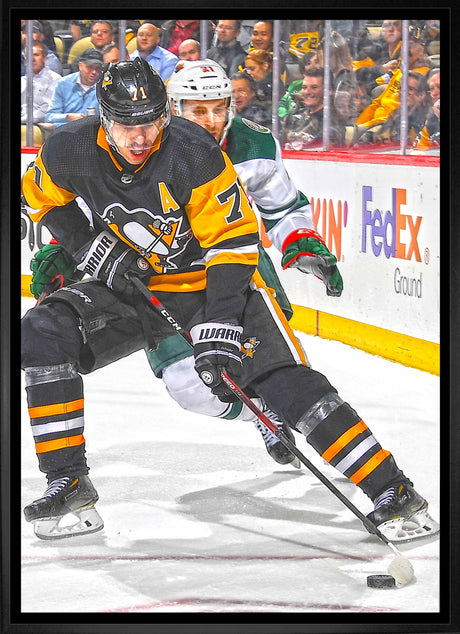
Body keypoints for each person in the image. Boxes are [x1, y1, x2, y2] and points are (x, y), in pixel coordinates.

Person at [21, 59, 438, 545]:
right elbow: (40, 198)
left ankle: (393, 491)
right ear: (103, 118)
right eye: (126, 125)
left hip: (211, 281)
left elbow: (234, 245)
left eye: (150, 122)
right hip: (132, 287)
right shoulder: (69, 148)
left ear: (165, 114)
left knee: (281, 382)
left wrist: (219, 322)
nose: (140, 137)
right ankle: (69, 482)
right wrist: (85, 245)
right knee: (42, 331)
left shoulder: (194, 153)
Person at [283, 67, 346, 148]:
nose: (307, 92)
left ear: (329, 91)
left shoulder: (334, 121)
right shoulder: (294, 116)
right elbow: (279, 143)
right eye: (304, 87)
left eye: (314, 87)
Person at [45, 49, 103, 128]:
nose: (94, 72)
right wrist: (68, 117)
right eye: (89, 67)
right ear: (80, 66)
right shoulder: (64, 84)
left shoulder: (105, 87)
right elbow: (50, 117)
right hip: (66, 131)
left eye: (98, 68)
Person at [21, 42, 61, 124]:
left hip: (40, 126)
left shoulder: (55, 80)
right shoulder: (22, 81)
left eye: (36, 55)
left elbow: (45, 112)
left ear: (44, 58)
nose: (32, 59)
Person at [278, 51, 322, 121]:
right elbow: (281, 103)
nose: (312, 66)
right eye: (308, 63)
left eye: (317, 62)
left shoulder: (324, 87)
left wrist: (304, 104)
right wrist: (285, 116)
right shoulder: (295, 85)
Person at [244, 49, 284, 115]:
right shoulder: (247, 80)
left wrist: (255, 102)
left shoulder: (276, 84)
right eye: (247, 69)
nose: (248, 72)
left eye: (252, 69)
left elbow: (277, 106)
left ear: (265, 66)